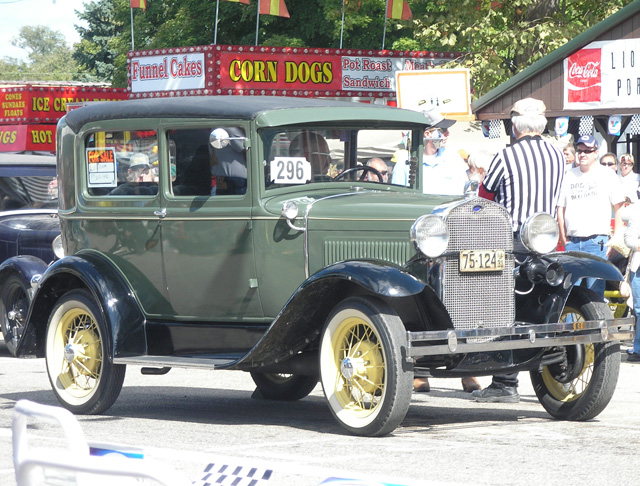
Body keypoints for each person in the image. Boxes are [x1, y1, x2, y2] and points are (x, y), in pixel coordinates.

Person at [473, 97, 565, 403]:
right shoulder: (557, 156)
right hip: (546, 242)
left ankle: (504, 382)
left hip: (513, 242)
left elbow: (484, 196)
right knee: (536, 307)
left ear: (515, 125)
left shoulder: (506, 156)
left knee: (502, 308)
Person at [557, 135, 625, 296]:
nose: (583, 155)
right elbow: (561, 209)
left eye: (588, 151)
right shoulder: (568, 175)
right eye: (580, 151)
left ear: (596, 153)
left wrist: (616, 238)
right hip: (572, 242)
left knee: (595, 292)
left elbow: (619, 207)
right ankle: (572, 322)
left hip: (597, 242)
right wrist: (564, 237)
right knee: (570, 293)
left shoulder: (607, 174)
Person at [391, 108, 467, 195]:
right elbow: (397, 198)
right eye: (443, 129)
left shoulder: (454, 159)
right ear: (427, 134)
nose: (448, 133)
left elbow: (465, 193)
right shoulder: (404, 164)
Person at [624, 202, 640, 362]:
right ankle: (638, 349)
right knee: (639, 310)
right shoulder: (637, 211)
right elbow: (628, 239)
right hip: (639, 267)